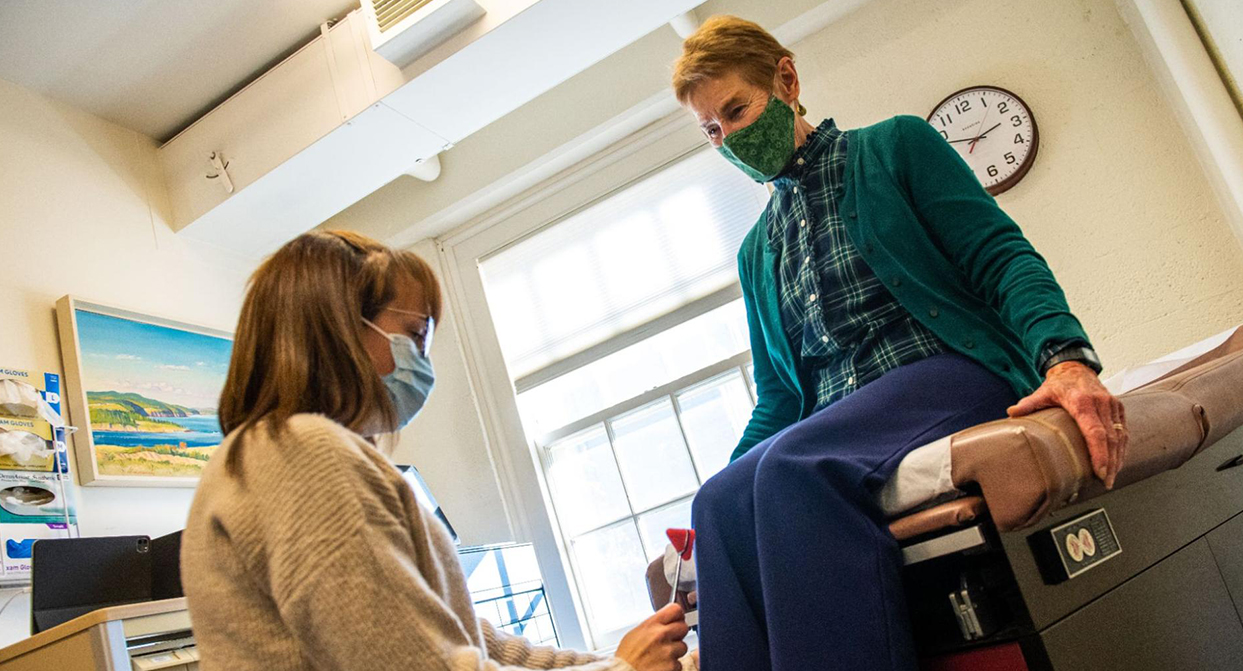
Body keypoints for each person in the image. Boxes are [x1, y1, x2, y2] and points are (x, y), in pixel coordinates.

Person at [670, 16, 1129, 671]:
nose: (729, 138)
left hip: (946, 373)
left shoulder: (894, 147)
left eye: (737, 110)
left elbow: (1000, 258)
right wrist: (711, 513)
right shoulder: (755, 252)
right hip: (840, 421)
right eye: (711, 130)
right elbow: (777, 398)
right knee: (715, 503)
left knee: (794, 471)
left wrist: (1065, 359)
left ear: (786, 79)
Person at [181, 231, 693, 671]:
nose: (423, 360)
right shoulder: (304, 456)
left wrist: (617, 661)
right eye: (415, 335)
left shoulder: (270, 454)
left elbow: (470, 637)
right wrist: (623, 667)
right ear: (342, 331)